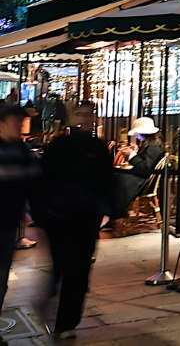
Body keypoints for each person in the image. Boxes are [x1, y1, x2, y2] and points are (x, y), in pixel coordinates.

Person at [33, 105, 114, 339]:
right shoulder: (61, 146)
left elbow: (106, 182)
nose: (84, 120)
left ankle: (66, 321)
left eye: (88, 116)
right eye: (80, 115)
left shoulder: (97, 148)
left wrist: (105, 210)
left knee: (77, 269)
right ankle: (56, 312)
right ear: (72, 119)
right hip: (61, 217)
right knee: (63, 266)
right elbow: (44, 180)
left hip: (85, 217)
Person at [0, 104, 38, 319]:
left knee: (1, 278)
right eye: (16, 122)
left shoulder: (22, 151)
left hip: (7, 224)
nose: (20, 126)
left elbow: (34, 184)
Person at [112, 117, 166, 218]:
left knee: (115, 178)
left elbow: (145, 168)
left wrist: (132, 155)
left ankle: (115, 212)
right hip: (140, 177)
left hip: (142, 180)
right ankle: (114, 211)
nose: (137, 136)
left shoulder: (154, 146)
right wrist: (135, 152)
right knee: (113, 174)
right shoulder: (150, 144)